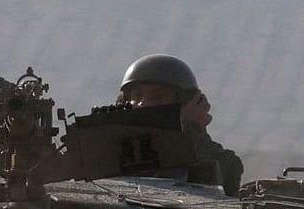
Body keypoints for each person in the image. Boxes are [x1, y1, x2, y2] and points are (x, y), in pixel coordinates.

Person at [63, 52, 245, 189]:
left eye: (158, 96)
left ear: (184, 104)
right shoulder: (103, 147)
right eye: (137, 95)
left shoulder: (225, 161)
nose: (143, 104)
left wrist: (191, 128)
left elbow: (223, 177)